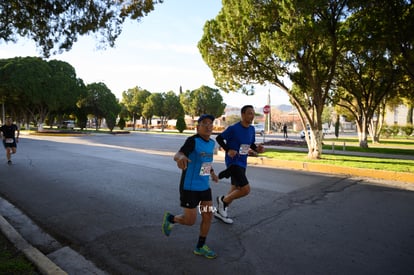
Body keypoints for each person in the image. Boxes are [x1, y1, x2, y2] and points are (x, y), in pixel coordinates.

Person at [162, 114, 219, 259]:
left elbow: (206, 162)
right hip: (190, 188)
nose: (208, 126)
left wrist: (212, 173)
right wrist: (180, 158)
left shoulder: (212, 143)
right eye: (204, 123)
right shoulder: (192, 141)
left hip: (205, 188)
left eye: (210, 123)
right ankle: (171, 219)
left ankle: (200, 247)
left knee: (208, 215)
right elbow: (178, 154)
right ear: (197, 127)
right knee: (190, 221)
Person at [215, 105, 265, 224]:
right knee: (245, 190)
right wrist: (228, 150)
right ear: (242, 115)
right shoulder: (233, 128)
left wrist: (257, 148)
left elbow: (251, 144)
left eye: (253, 113)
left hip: (243, 162)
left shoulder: (252, 129)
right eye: (249, 113)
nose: (252, 116)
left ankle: (221, 211)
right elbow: (219, 138)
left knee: (235, 188)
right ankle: (223, 200)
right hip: (233, 162)